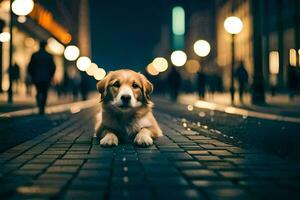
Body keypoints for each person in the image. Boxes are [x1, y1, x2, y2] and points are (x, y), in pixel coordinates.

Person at [28, 41, 56, 115]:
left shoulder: (35, 55)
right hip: (46, 78)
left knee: (38, 91)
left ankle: (39, 104)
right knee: (44, 92)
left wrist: (31, 75)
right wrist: (51, 75)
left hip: (37, 77)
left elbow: (30, 66)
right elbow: (53, 67)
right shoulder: (49, 56)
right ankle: (42, 107)